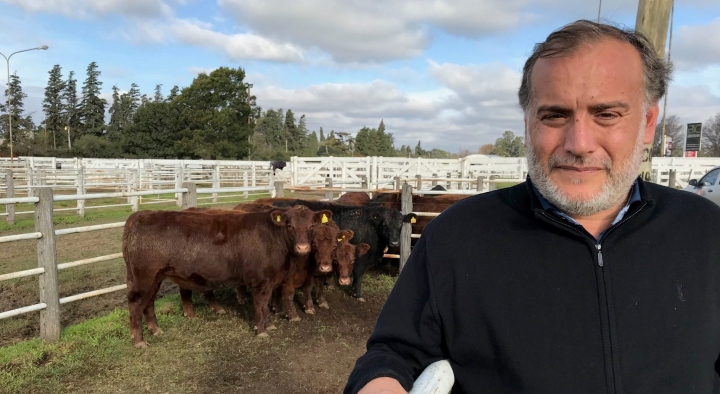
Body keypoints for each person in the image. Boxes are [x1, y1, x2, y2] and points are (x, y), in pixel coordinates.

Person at [345, 20, 720, 394]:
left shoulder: (706, 232)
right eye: (555, 115)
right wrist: (381, 382)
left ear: (648, 122)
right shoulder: (458, 236)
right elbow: (394, 353)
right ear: (528, 123)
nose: (579, 143)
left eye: (606, 114)